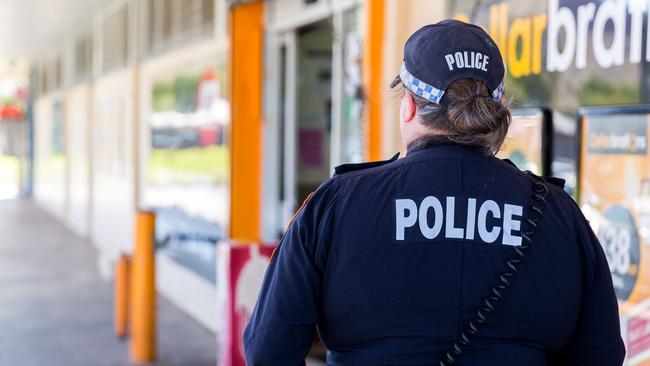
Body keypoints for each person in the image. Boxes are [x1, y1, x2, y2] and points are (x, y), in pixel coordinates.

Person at [244, 19, 625, 366]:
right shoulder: (558, 214)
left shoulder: (335, 204)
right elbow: (603, 354)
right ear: (497, 108)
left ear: (408, 105)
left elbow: (267, 350)